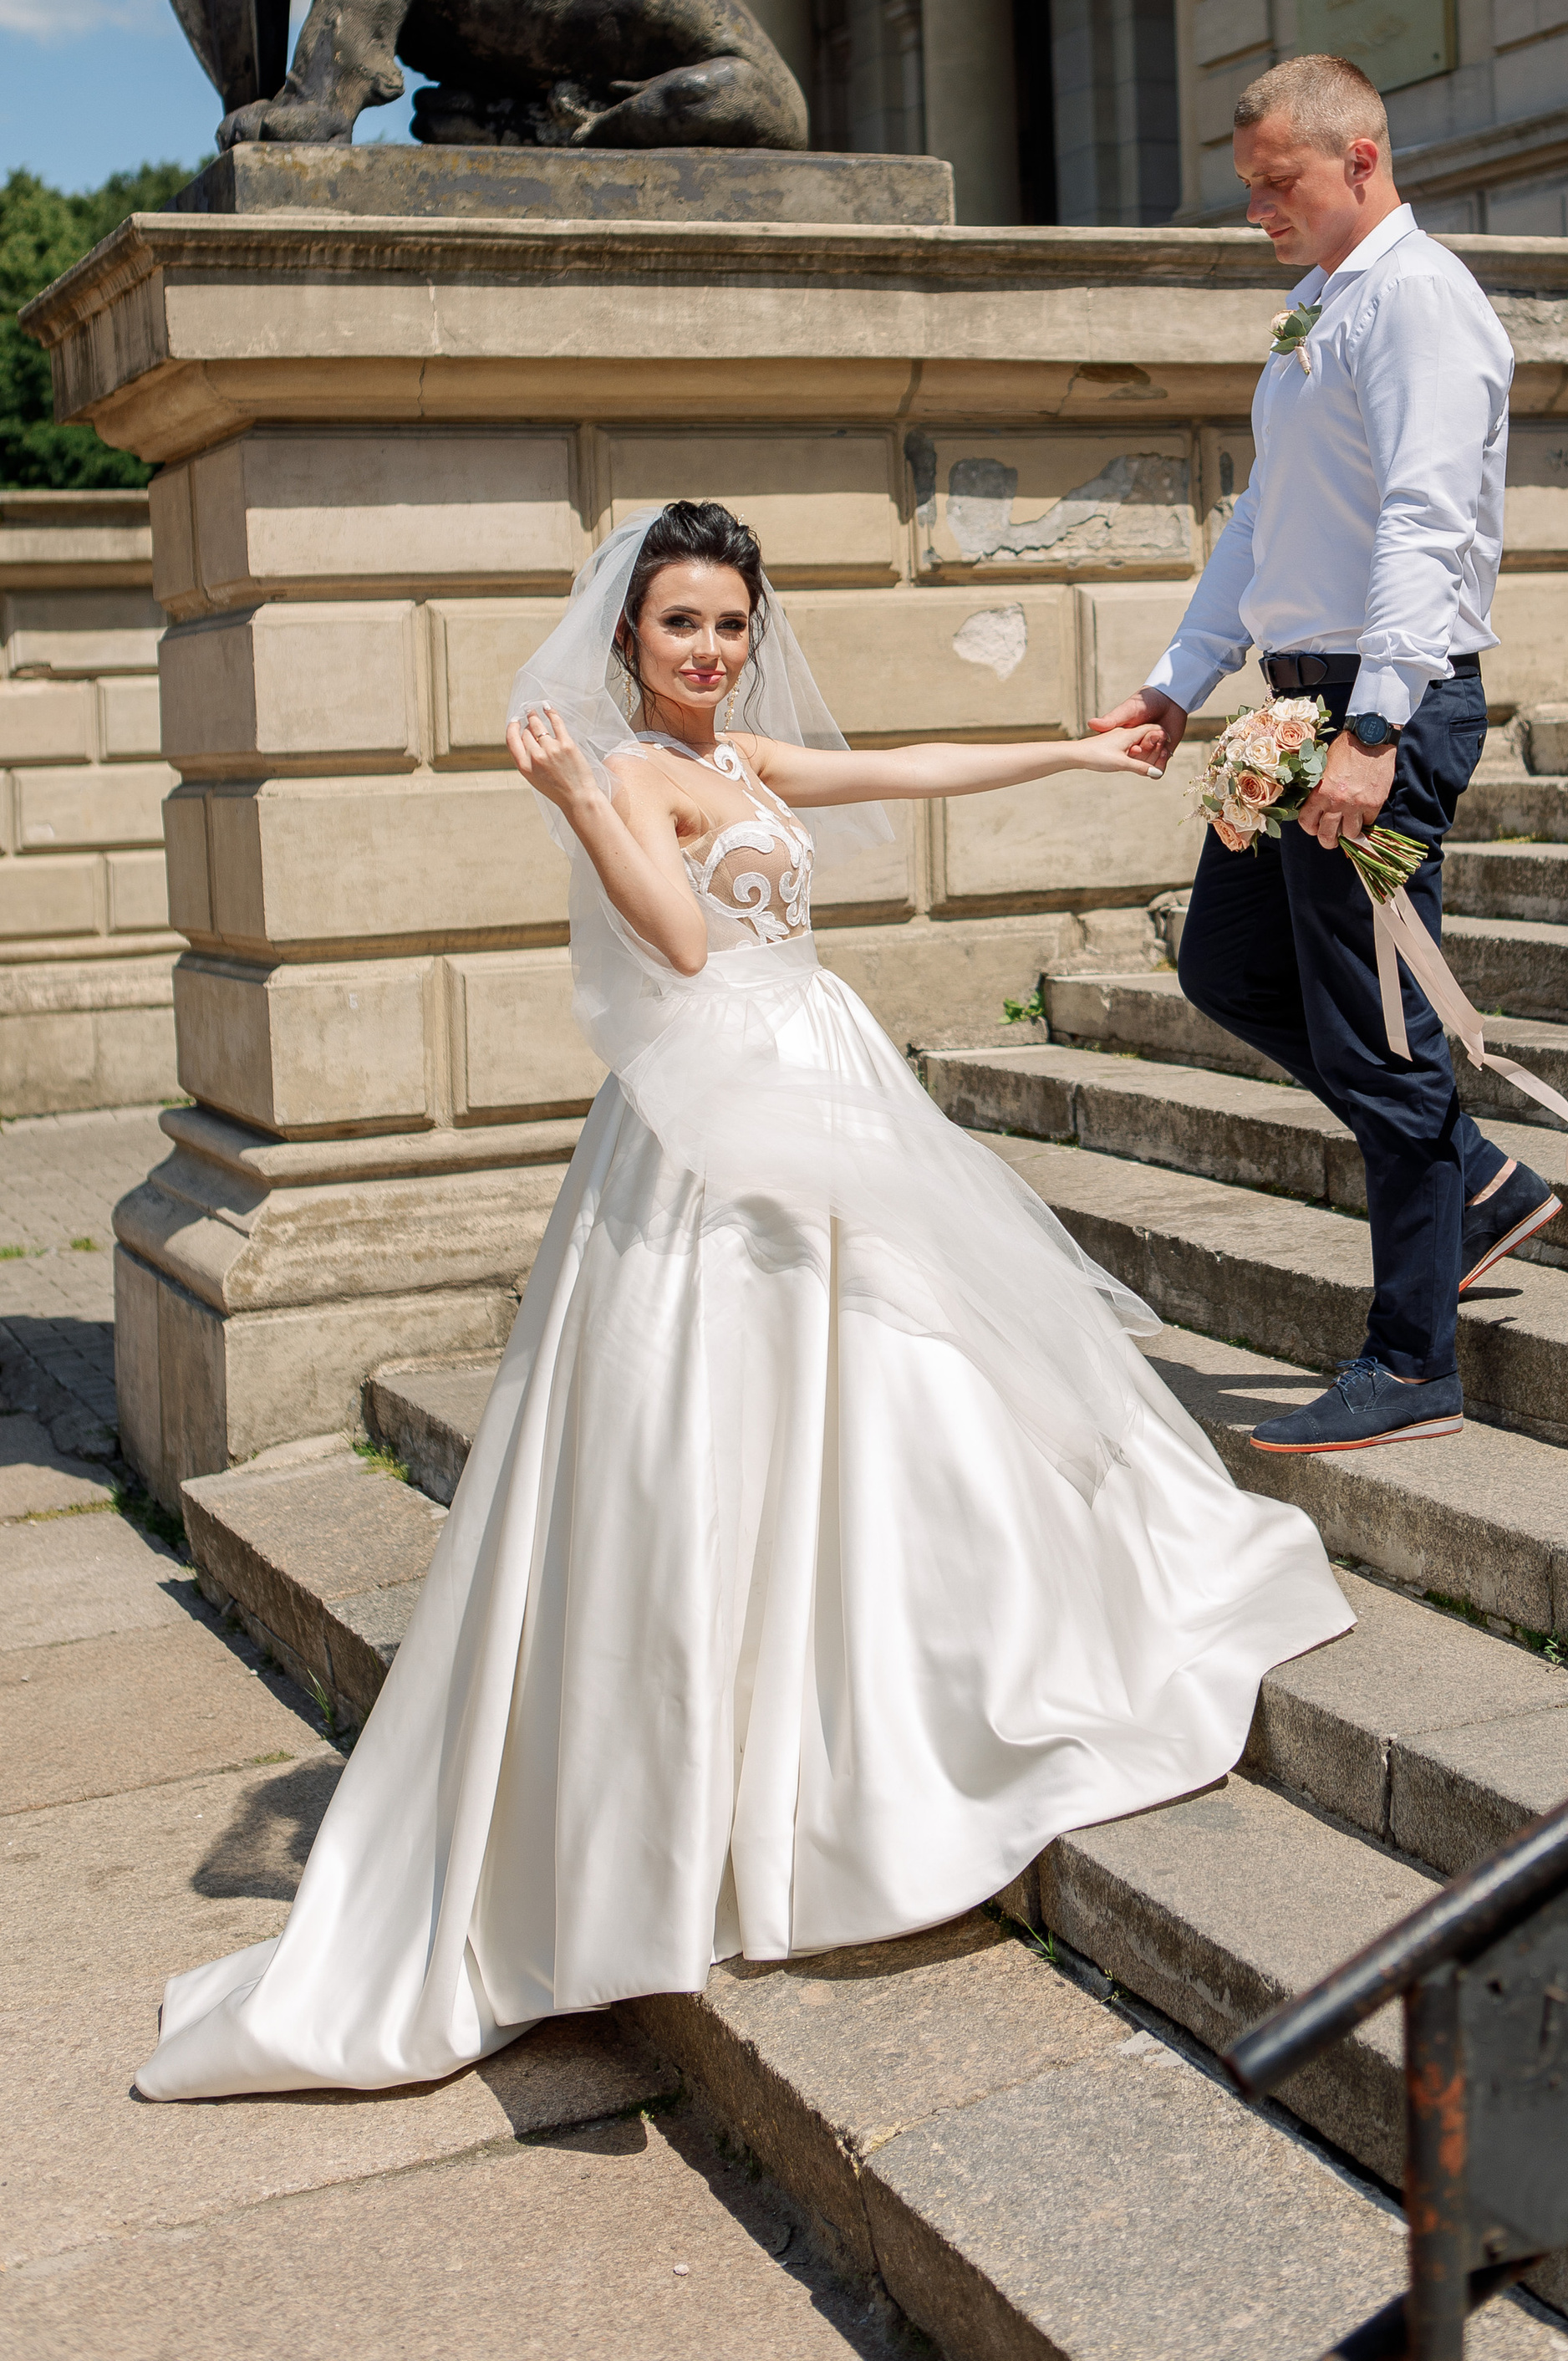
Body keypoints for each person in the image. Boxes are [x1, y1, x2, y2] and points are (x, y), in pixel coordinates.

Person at [136, 500, 1349, 2101]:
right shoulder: (629, 773)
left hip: (826, 1073)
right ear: (628, 639)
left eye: (728, 624)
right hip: (720, 1111)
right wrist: (583, 799)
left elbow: (898, 776)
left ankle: (910, 1689)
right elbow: (687, 943)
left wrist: (1071, 752)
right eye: (679, 626)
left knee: (906, 1382)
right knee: (729, 1415)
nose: (709, 651)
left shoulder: (737, 764)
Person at [1090, 54, 1556, 1457]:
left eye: (1272, 182)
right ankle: (1469, 1181)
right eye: (1247, 187)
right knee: (1224, 966)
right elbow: (1262, 525)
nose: (1254, 211)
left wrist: (1371, 730)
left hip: (1378, 714)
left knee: (1377, 1027)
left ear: (1359, 160)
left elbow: (1425, 527)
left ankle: (1414, 1359)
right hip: (1293, 712)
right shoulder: (1313, 311)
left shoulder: (1418, 303)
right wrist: (1181, 685)